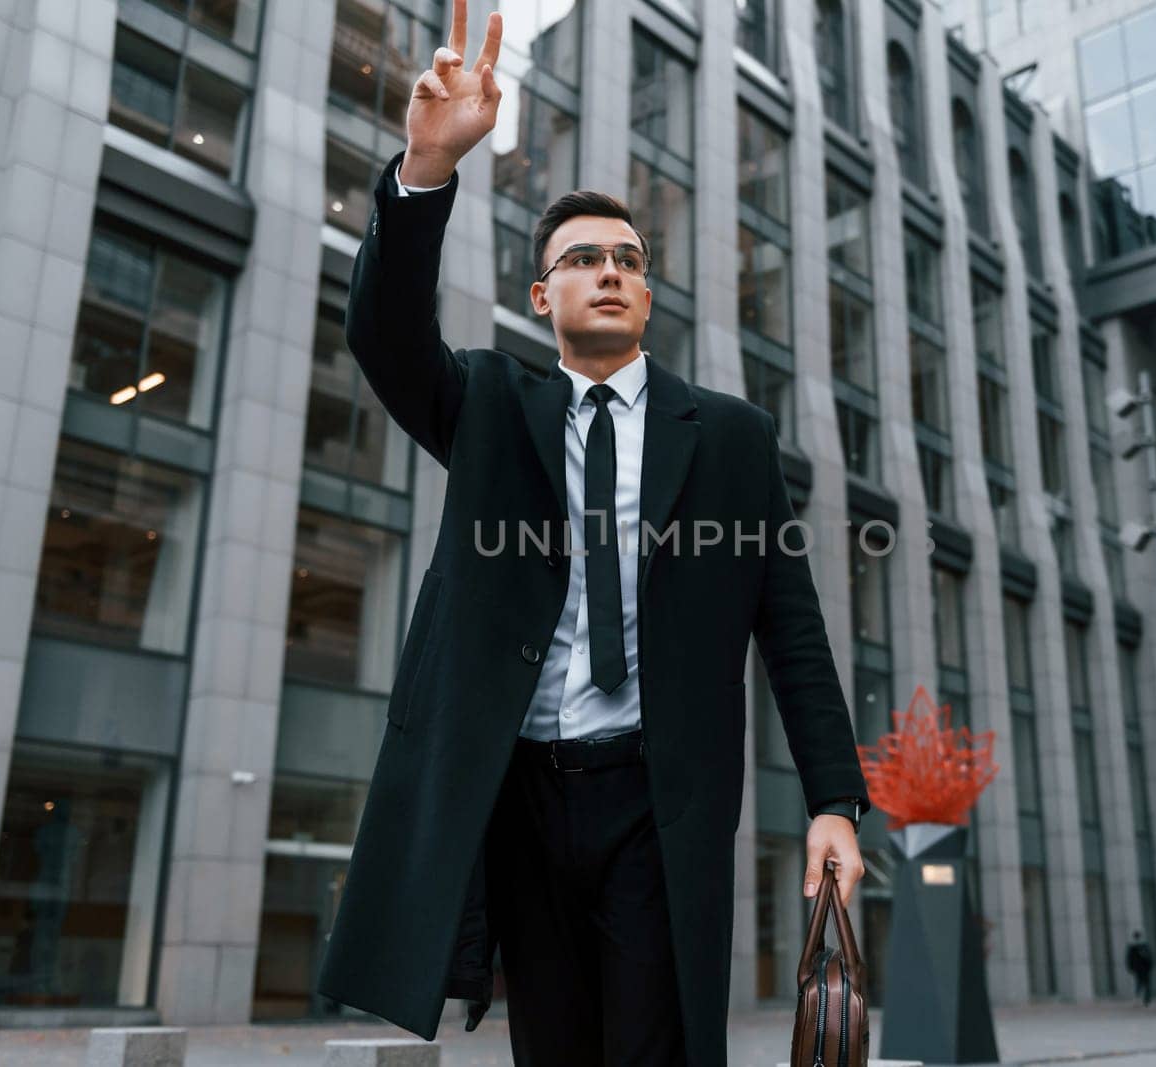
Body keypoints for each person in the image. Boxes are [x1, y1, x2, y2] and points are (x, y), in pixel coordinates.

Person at [315, 3, 870, 1064]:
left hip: (657, 799)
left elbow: (792, 632)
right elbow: (384, 336)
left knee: (653, 1048)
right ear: (542, 292)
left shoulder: (734, 440)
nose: (607, 268)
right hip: (517, 794)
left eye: (625, 255)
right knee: (555, 1048)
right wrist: (425, 170)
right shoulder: (488, 402)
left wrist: (834, 801)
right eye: (581, 258)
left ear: (648, 292)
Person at [1125, 930, 1154, 1005]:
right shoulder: (1136, 947)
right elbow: (1130, 959)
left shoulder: (1141, 946)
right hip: (1141, 969)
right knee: (1142, 984)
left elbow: (1149, 958)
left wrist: (1130, 968)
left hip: (1143, 968)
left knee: (1142, 984)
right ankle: (1142, 999)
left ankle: (1144, 999)